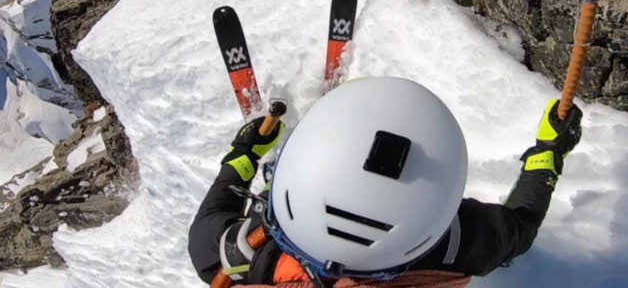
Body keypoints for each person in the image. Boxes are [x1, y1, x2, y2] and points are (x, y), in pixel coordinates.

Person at [188, 76, 582, 287]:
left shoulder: (249, 254)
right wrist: (549, 151)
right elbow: (522, 225)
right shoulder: (464, 244)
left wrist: (244, 155)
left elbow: (207, 229)